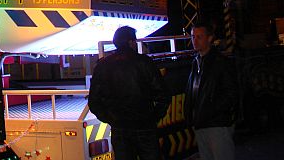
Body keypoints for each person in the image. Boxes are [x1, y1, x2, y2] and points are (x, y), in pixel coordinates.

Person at [88, 26, 170, 160]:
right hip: (145, 127)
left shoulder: (102, 66)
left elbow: (94, 102)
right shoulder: (145, 62)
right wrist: (153, 118)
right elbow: (163, 95)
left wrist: (111, 119)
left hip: (120, 129)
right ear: (131, 42)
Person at [185, 22, 238, 160]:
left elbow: (231, 93)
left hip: (217, 124)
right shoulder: (196, 62)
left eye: (199, 37)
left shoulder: (221, 62)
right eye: (193, 36)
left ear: (209, 38)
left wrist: (210, 111)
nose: (195, 40)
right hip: (201, 124)